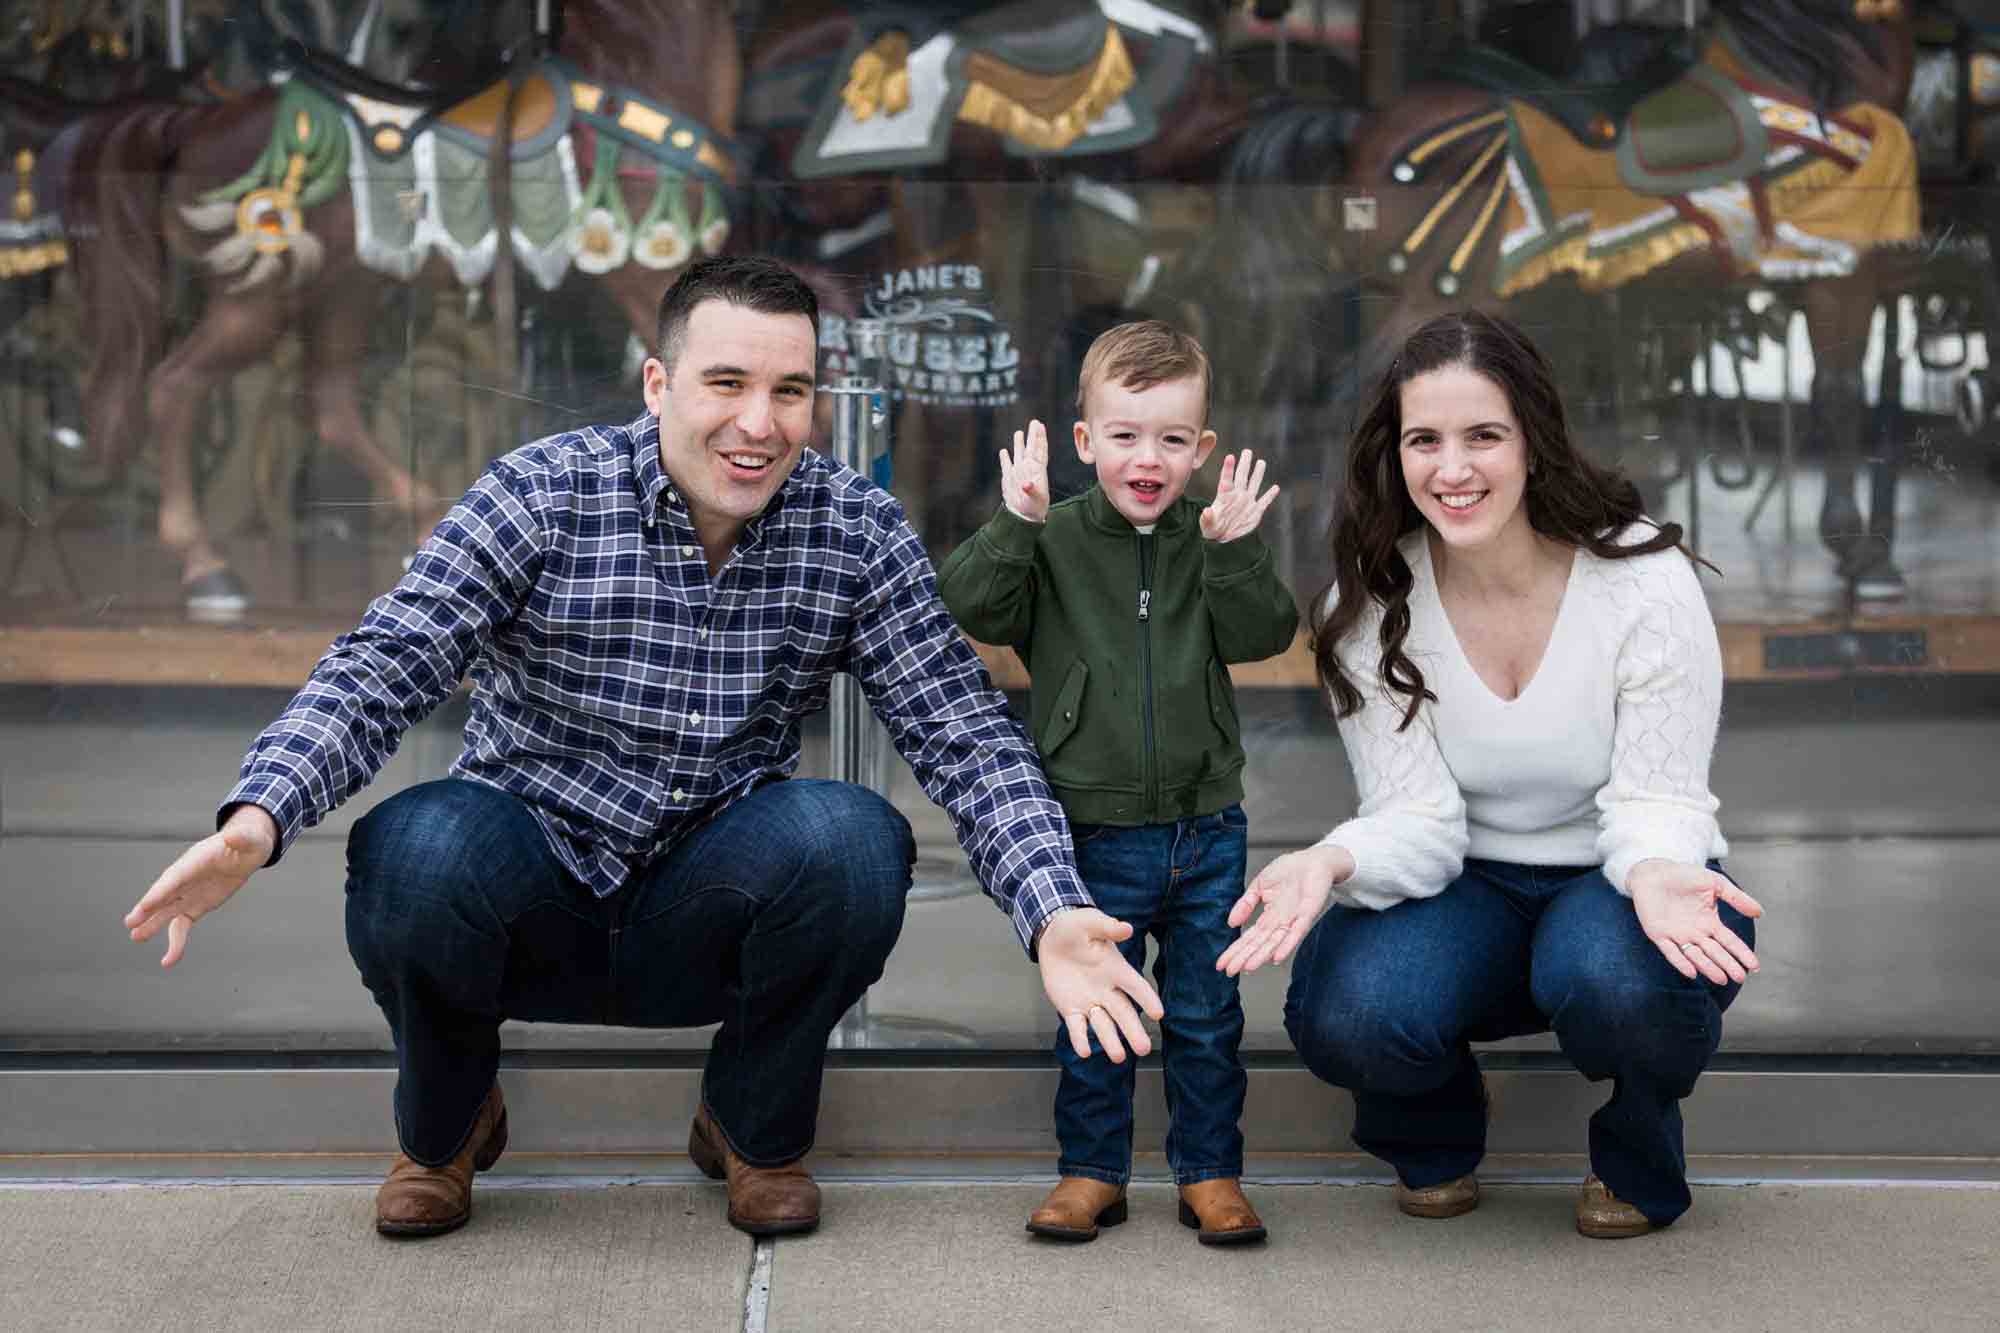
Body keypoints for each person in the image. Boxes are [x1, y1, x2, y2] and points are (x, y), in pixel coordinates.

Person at [122, 256, 1165, 1240]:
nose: (758, 423)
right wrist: (258, 818)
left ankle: (749, 1127)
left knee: (852, 842)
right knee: (414, 848)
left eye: (790, 391)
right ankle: (444, 1131)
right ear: (658, 382)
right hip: (527, 877)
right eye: (725, 382)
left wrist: (1051, 907)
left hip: (709, 899)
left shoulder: (852, 527)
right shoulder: (542, 492)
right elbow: (386, 660)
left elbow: (964, 731)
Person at [1218, 309, 1762, 1238]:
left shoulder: (1641, 578)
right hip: (1463, 883)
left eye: (1483, 436)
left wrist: (1668, 868)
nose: (1453, 469)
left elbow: (1657, 797)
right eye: (1424, 439)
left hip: (1622, 879)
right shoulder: (1373, 598)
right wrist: (1332, 860)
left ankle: (1636, 1152)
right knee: (1348, 1004)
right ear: (1395, 454)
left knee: (1625, 979)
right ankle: (1435, 1138)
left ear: (1534, 442)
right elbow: (1416, 818)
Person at [939, 321, 1299, 1245]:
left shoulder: (1208, 534)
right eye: (1127, 435)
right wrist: (1015, 520)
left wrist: (1231, 549)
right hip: (1092, 828)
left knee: (1207, 1016)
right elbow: (972, 605)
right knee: (1095, 1014)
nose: (1150, 458)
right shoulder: (1054, 535)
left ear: (1202, 450)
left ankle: (1210, 1171)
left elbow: (1264, 634)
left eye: (1173, 439)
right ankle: (1090, 1171)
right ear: (1086, 439)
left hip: (1206, 824)